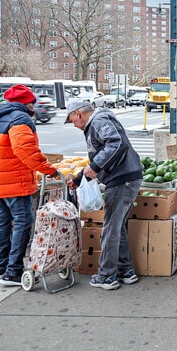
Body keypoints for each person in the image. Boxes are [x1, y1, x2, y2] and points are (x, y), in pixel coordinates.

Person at [0, 84, 57, 286]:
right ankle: (13, 272)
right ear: (27, 103)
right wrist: (49, 169)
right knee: (22, 222)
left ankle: (1, 268)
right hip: (14, 181)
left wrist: (0, 155)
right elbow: (24, 150)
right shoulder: (20, 119)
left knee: (3, 222)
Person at [65, 100, 143, 290]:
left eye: (72, 120)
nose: (74, 125)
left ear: (78, 114)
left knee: (110, 228)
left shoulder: (99, 121)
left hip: (121, 179)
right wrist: (78, 179)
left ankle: (107, 276)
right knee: (118, 226)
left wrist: (95, 166)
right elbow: (102, 155)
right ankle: (126, 271)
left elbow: (117, 143)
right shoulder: (99, 121)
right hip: (126, 176)